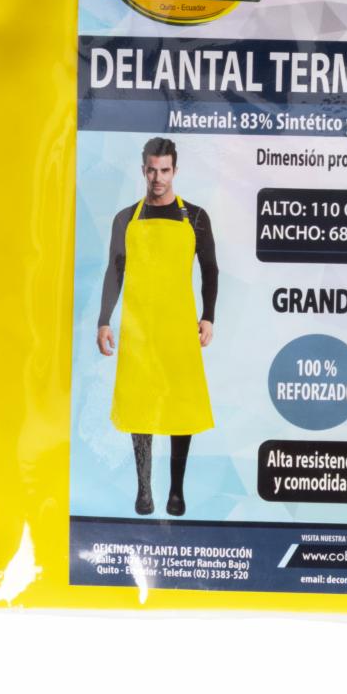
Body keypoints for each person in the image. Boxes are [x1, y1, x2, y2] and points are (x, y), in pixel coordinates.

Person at [97, 137, 217, 517]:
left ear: (175, 170)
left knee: (181, 408)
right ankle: (144, 490)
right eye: (152, 170)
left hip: (180, 329)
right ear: (143, 170)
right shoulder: (125, 219)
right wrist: (103, 320)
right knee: (139, 407)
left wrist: (208, 316)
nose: (158, 178)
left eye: (165, 170)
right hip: (139, 330)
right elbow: (115, 271)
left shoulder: (195, 217)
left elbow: (210, 269)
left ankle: (176, 492)